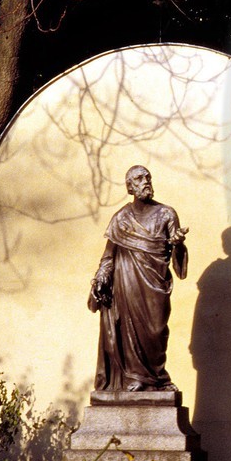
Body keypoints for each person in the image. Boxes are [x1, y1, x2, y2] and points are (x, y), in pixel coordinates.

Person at [87, 165, 189, 394]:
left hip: (155, 285)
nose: (146, 181)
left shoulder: (166, 214)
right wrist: (101, 278)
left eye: (148, 177)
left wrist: (178, 244)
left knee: (156, 331)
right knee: (128, 330)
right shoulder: (121, 218)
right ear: (130, 187)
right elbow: (108, 256)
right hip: (126, 286)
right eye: (139, 178)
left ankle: (157, 378)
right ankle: (136, 377)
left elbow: (179, 268)